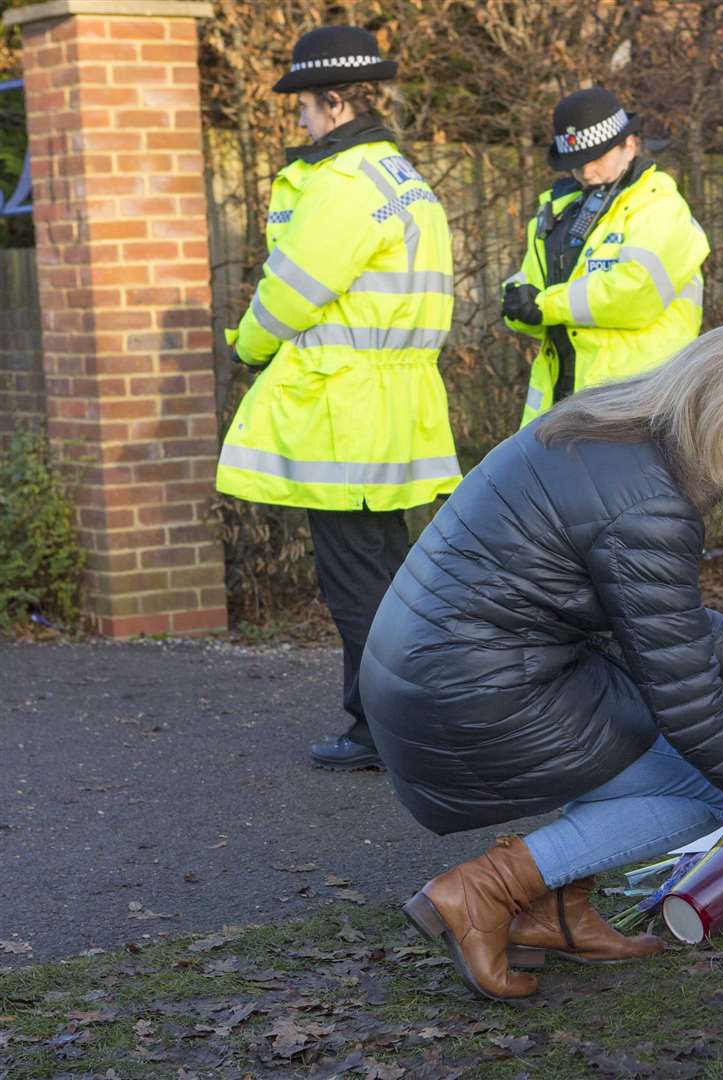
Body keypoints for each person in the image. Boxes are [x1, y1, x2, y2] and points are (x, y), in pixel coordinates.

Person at [359, 322, 723, 1001]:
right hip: (468, 696)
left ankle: (558, 911)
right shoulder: (650, 502)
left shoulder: (614, 434)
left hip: (439, 674)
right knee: (702, 794)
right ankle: (485, 891)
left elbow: (643, 618)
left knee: (659, 737)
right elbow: (694, 711)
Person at [217, 26, 460, 771]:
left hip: (343, 412)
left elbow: (290, 294)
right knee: (390, 575)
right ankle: (393, 721)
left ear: (333, 100)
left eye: (304, 107)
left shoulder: (344, 185)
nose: (299, 121)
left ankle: (388, 732)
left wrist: (247, 346)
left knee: (357, 586)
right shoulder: (400, 176)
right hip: (394, 406)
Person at [501, 86, 708, 427]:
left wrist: (543, 306)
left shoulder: (660, 208)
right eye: (576, 164)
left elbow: (635, 294)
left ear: (630, 145)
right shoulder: (559, 209)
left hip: (637, 407)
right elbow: (529, 284)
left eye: (595, 158)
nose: (586, 173)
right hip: (561, 409)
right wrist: (518, 306)